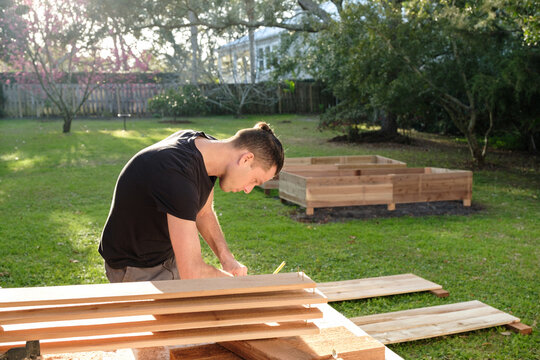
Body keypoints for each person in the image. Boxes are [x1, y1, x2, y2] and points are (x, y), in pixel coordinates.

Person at [99, 122, 284, 283]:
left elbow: (203, 213)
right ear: (246, 159)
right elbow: (192, 272)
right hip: (135, 269)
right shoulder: (176, 172)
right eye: (255, 181)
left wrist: (227, 258)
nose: (248, 189)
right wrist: (235, 284)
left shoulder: (207, 150)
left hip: (167, 257)